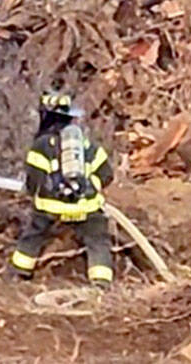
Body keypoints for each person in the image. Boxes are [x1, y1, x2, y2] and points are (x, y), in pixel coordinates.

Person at [9, 90, 115, 286]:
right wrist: (88, 189)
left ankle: (19, 272)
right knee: (98, 241)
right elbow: (107, 174)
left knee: (33, 235)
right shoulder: (87, 145)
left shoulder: (41, 145)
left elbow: (34, 179)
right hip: (86, 208)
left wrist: (33, 193)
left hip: (51, 209)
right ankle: (101, 282)